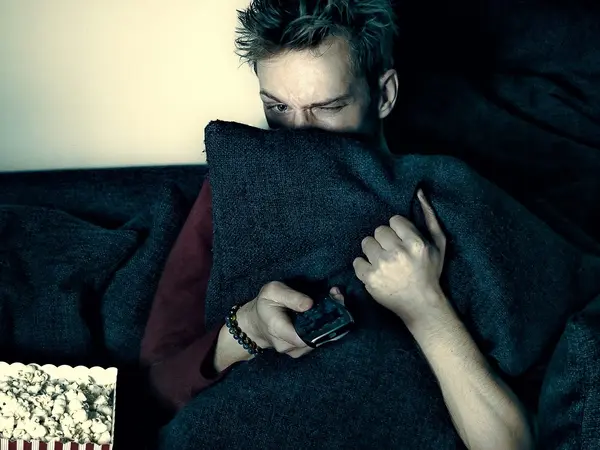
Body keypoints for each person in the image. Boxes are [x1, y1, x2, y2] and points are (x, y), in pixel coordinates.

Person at [140, 1, 534, 449]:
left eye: (326, 108)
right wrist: (247, 328)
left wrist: (425, 307)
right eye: (278, 107)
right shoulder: (234, 187)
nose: (298, 136)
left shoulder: (445, 195)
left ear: (384, 94)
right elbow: (155, 388)